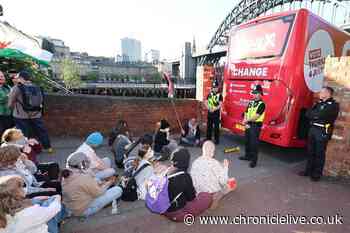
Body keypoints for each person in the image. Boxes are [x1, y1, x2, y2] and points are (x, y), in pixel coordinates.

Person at [62, 152, 122, 217]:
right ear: (80, 164)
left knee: (97, 182)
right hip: (84, 209)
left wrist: (102, 183)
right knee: (118, 190)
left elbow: (85, 185)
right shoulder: (83, 178)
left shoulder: (67, 174)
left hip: (71, 207)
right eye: (84, 162)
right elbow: (99, 192)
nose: (86, 163)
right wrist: (109, 182)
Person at [299, 86, 339, 182]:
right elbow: (308, 114)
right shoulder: (318, 103)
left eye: (322, 92)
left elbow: (322, 115)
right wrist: (316, 115)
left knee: (319, 153)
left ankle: (317, 174)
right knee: (310, 151)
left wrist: (316, 115)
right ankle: (308, 171)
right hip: (313, 129)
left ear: (328, 94)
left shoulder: (333, 105)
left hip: (322, 131)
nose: (320, 94)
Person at [7, 71, 53, 153]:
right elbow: (41, 101)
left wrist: (13, 109)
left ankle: (25, 151)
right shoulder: (37, 87)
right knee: (41, 131)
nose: (16, 79)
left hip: (21, 115)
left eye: (18, 78)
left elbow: (10, 103)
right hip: (36, 114)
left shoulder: (17, 88)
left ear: (21, 78)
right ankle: (48, 148)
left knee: (23, 133)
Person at [163, 148, 212, 222]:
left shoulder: (166, 171)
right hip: (175, 213)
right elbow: (191, 198)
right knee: (206, 196)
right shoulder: (185, 176)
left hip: (163, 208)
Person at [191, 141, 237, 209]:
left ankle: (201, 198)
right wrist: (225, 168)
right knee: (232, 182)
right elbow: (223, 181)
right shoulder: (215, 163)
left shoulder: (195, 162)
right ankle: (216, 198)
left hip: (199, 192)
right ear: (213, 152)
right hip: (212, 192)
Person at [239, 84, 266, 168]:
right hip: (248, 124)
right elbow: (246, 112)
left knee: (254, 144)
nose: (254, 94)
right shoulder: (251, 102)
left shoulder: (262, 104)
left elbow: (256, 116)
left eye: (256, 93)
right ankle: (247, 156)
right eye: (253, 93)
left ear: (260, 94)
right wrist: (245, 121)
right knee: (247, 141)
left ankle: (254, 161)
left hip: (255, 126)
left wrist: (246, 121)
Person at [205, 80, 222, 145]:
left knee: (216, 128)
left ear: (218, 88)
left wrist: (214, 109)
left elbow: (220, 105)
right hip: (209, 114)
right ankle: (208, 139)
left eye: (216, 87)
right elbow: (206, 102)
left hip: (216, 114)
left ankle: (216, 140)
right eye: (214, 87)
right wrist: (208, 108)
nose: (215, 88)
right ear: (212, 87)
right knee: (209, 127)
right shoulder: (209, 94)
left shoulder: (219, 95)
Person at [0, 71, 13, 137]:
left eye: (2, 76)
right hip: (1, 114)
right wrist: (8, 96)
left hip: (9, 114)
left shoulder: (7, 87)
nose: (2, 78)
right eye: (0, 76)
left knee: (8, 133)